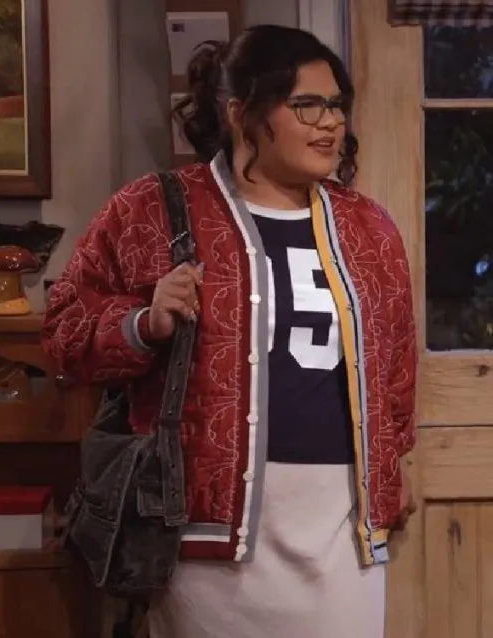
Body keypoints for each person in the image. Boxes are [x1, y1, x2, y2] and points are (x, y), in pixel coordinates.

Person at [43, 24, 417, 638]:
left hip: (340, 526)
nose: (330, 122)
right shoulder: (151, 209)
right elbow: (64, 333)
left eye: (336, 105)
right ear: (241, 113)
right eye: (306, 105)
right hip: (202, 533)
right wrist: (144, 323)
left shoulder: (369, 228)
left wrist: (396, 467)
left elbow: (396, 366)